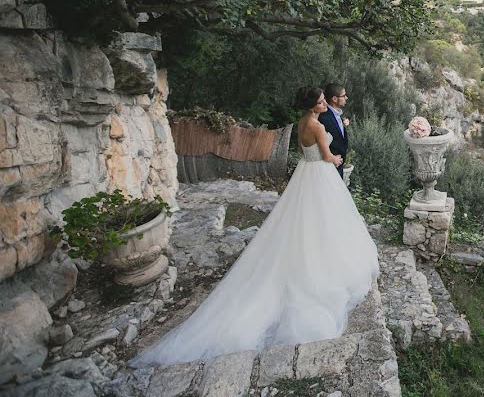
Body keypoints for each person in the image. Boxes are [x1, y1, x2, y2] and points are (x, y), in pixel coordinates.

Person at [130, 86, 378, 367]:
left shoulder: (302, 122)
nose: (325, 104)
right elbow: (325, 156)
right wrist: (337, 159)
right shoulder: (318, 126)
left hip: (304, 175)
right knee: (324, 218)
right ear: (314, 105)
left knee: (300, 219)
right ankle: (320, 264)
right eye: (321, 102)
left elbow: (302, 150)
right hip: (320, 174)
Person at [319, 83, 349, 179]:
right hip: (328, 167)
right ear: (334, 99)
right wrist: (332, 158)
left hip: (338, 166)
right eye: (344, 96)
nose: (346, 98)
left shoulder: (337, 115)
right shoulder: (324, 117)